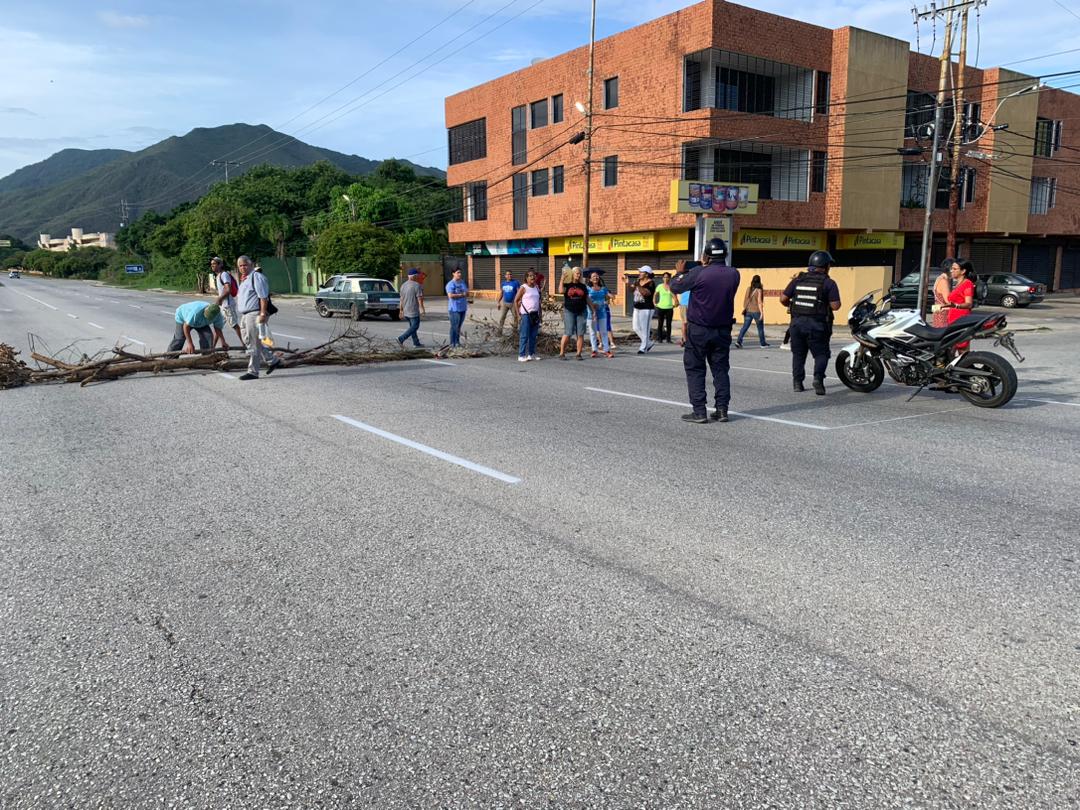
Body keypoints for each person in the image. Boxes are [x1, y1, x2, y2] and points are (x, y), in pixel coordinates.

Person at [669, 238, 740, 423]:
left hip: (699, 330)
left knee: (695, 368)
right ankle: (722, 410)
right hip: (723, 330)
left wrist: (680, 272)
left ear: (706, 256)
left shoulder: (699, 272)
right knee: (720, 370)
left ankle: (699, 411)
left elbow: (675, 286)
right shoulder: (734, 274)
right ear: (724, 254)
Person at [780, 251, 842, 395]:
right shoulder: (828, 283)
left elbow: (783, 299)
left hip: (796, 324)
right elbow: (836, 306)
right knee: (821, 354)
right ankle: (818, 379)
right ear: (826, 266)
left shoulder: (797, 280)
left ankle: (797, 383)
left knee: (798, 355)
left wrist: (794, 305)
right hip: (817, 325)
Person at [235, 254, 281, 380]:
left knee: (253, 343)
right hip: (245, 315)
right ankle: (272, 360)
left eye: (245, 265)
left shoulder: (257, 277)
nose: (243, 267)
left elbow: (263, 297)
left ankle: (253, 371)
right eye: (240, 266)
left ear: (251, 265)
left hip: (254, 313)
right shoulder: (245, 279)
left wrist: (262, 313)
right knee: (251, 341)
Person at [944, 258, 976, 352]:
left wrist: (956, 306)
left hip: (961, 321)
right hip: (953, 321)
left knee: (962, 350)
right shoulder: (958, 284)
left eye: (954, 269)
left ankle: (966, 366)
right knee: (952, 350)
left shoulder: (967, 284)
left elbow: (969, 304)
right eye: (951, 268)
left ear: (963, 271)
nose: (951, 271)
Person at [211, 256, 243, 347]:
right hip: (222, 307)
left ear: (220, 264)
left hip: (227, 305)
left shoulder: (224, 274)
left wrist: (219, 299)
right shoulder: (218, 276)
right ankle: (212, 347)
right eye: (212, 264)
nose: (212, 266)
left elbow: (228, 289)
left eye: (214, 264)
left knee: (234, 325)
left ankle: (246, 345)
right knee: (217, 326)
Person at [560, 266, 589, 360]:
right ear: (572, 274)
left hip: (582, 311)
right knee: (568, 332)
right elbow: (560, 291)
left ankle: (578, 354)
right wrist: (562, 279)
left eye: (580, 273)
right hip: (569, 311)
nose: (578, 274)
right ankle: (562, 353)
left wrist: (593, 310)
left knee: (580, 333)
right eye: (577, 273)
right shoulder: (567, 284)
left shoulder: (583, 286)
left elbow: (587, 298)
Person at [514, 269, 542, 362]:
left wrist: (540, 315)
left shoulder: (537, 287)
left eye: (534, 275)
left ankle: (531, 354)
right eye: (530, 276)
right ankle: (521, 355)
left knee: (533, 336)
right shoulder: (523, 287)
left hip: (535, 315)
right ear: (526, 278)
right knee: (524, 335)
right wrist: (518, 315)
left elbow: (539, 302)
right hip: (526, 315)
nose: (533, 277)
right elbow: (516, 300)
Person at [736, 274, 770, 348]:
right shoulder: (759, 290)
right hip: (756, 311)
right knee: (760, 328)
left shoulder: (749, 289)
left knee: (745, 327)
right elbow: (759, 302)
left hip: (748, 311)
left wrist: (745, 308)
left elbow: (745, 300)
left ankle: (739, 341)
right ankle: (762, 344)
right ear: (759, 281)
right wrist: (762, 313)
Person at [587, 271, 614, 358]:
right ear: (590, 279)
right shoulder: (587, 289)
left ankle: (606, 350)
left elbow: (609, 295)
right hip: (591, 313)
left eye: (597, 276)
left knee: (604, 332)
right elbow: (585, 299)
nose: (595, 278)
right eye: (594, 276)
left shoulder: (603, 288)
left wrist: (611, 296)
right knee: (593, 332)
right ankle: (594, 350)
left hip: (602, 312)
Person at [397, 268, 426, 347]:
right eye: (417, 275)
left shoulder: (403, 285)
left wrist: (401, 310)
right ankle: (401, 338)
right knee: (415, 326)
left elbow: (401, 299)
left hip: (406, 310)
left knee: (412, 327)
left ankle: (416, 343)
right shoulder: (417, 285)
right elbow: (419, 299)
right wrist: (422, 309)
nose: (418, 276)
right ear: (414, 276)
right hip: (413, 310)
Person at [632, 266, 656, 354]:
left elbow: (646, 293)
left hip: (646, 308)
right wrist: (627, 284)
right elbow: (631, 290)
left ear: (646, 274)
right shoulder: (638, 281)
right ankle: (648, 343)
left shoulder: (651, 283)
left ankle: (643, 348)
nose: (639, 273)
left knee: (644, 328)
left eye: (641, 272)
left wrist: (638, 286)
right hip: (637, 307)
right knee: (635, 327)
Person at [445, 268, 468, 348]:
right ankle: (452, 343)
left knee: (458, 326)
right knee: (454, 326)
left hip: (463, 308)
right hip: (454, 309)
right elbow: (450, 295)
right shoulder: (450, 284)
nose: (460, 274)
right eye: (458, 273)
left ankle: (457, 342)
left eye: (460, 272)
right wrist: (461, 295)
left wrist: (464, 294)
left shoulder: (462, 283)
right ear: (453, 273)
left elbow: (466, 292)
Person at [933, 259, 956, 328]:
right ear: (950, 269)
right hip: (943, 314)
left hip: (937, 310)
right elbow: (948, 301)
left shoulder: (939, 278)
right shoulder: (944, 281)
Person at [654, 272, 676, 343]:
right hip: (660, 307)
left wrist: (675, 303)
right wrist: (654, 302)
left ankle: (668, 339)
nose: (666, 278)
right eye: (664, 277)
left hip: (669, 308)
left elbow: (674, 296)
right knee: (660, 323)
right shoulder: (659, 286)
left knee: (669, 324)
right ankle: (659, 338)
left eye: (667, 277)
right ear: (662, 278)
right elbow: (655, 295)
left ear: (669, 278)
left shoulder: (671, 286)